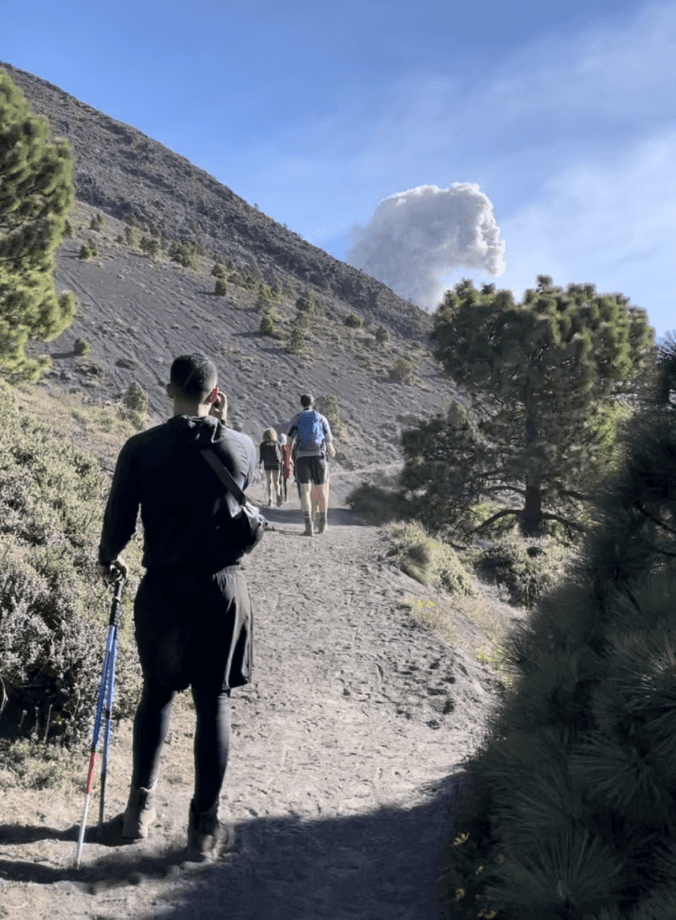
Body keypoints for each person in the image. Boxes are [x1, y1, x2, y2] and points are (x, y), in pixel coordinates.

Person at [97, 354, 257, 862]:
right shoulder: (244, 447)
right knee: (215, 704)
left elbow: (118, 526)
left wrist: (109, 560)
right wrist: (222, 422)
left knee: (158, 696)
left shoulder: (140, 449)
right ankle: (203, 831)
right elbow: (232, 478)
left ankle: (136, 816)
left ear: (169, 390)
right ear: (215, 394)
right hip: (222, 592)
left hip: (163, 593)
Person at [287, 394, 335, 536]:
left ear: (301, 404)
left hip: (302, 458)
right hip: (319, 457)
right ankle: (323, 523)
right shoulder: (321, 418)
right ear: (313, 403)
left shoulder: (296, 418)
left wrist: (289, 458)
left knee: (305, 491)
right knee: (320, 490)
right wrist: (331, 453)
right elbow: (329, 443)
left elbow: (289, 441)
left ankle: (308, 526)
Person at [259, 427, 282, 507]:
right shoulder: (277, 443)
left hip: (267, 464)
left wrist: (259, 463)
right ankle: (278, 495)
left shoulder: (262, 444)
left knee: (269, 481)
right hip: (276, 463)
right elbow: (280, 453)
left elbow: (261, 456)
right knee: (276, 482)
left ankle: (270, 499)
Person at [278, 433, 293, 505]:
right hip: (285, 466)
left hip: (279, 465)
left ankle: (281, 497)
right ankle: (285, 498)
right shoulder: (286, 447)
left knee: (280, 482)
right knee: (284, 483)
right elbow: (288, 458)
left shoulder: (279, 446)